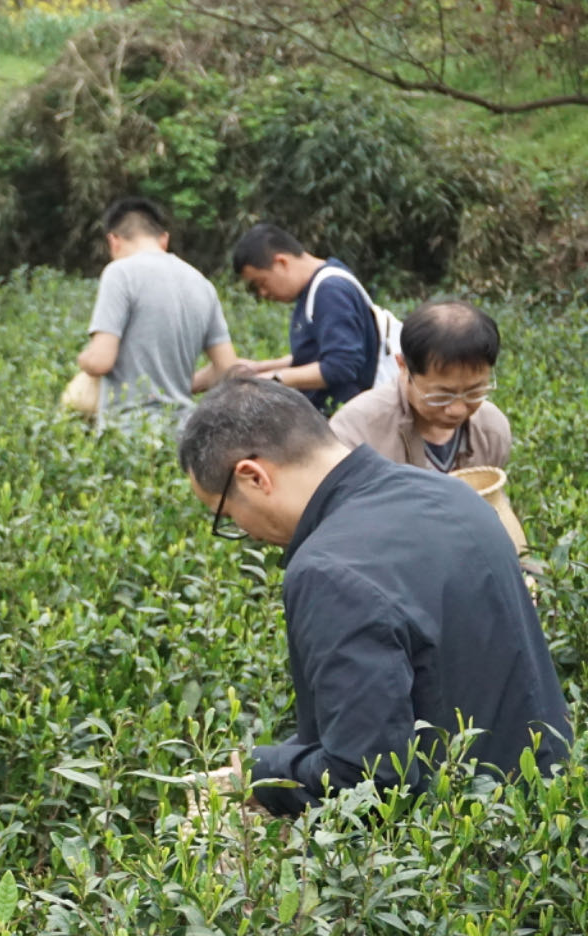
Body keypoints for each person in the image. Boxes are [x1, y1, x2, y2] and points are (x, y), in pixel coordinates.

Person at [180, 376, 570, 817]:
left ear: (253, 476)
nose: (245, 534)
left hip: (462, 852)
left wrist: (259, 772)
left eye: (228, 516)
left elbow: (364, 782)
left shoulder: (328, 570)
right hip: (547, 815)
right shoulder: (453, 494)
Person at [74, 197, 237, 425]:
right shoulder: (202, 284)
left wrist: (84, 359)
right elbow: (227, 369)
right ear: (164, 240)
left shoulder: (120, 273)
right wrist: (172, 385)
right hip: (185, 431)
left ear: (113, 241)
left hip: (129, 432)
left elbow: (101, 361)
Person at [330, 300, 509, 474]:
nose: (457, 410)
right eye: (442, 396)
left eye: (474, 392)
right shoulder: (356, 431)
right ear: (403, 367)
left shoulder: (491, 429)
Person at [229, 224, 382, 413]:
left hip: (347, 423)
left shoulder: (330, 290)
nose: (263, 293)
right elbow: (316, 354)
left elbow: (342, 365)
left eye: (262, 282)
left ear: (282, 262)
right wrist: (260, 368)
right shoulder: (314, 289)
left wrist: (273, 380)